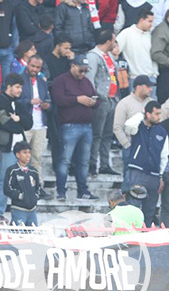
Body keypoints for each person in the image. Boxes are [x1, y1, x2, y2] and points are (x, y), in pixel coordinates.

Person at [50, 56, 100, 201]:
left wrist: (92, 102)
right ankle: (61, 191)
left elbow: (97, 100)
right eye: (81, 70)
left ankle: (82, 190)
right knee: (65, 160)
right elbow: (58, 99)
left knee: (84, 161)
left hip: (86, 126)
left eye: (85, 71)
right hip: (69, 126)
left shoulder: (86, 81)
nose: (83, 73)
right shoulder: (61, 80)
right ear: (72, 66)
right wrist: (77, 99)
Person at [0, 73, 33, 221]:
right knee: (4, 179)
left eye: (21, 87)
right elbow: (4, 123)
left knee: (19, 180)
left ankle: (17, 211)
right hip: (5, 147)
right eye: (17, 87)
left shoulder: (20, 104)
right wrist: (19, 124)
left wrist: (19, 119)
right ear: (8, 87)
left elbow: (29, 123)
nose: (20, 90)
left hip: (19, 148)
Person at [123, 101, 169, 225]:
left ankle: (145, 240)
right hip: (137, 173)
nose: (159, 117)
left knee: (150, 211)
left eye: (160, 113)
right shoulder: (137, 127)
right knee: (134, 208)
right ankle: (132, 239)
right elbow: (128, 125)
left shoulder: (162, 132)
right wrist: (141, 114)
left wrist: (161, 177)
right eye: (156, 114)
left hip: (154, 176)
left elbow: (164, 156)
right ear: (148, 114)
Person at [86, 29, 120, 178]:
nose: (115, 43)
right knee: (97, 134)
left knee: (107, 134)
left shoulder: (109, 57)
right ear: (108, 42)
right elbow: (90, 78)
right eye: (113, 40)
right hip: (101, 99)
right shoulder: (93, 56)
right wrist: (95, 97)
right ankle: (93, 164)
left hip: (111, 99)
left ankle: (105, 164)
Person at [18, 55, 52, 195]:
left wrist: (46, 105)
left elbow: (49, 101)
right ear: (28, 64)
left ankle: (37, 186)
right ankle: (20, 185)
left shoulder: (42, 81)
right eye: (33, 66)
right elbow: (16, 100)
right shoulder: (20, 79)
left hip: (40, 124)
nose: (35, 69)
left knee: (37, 158)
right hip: (25, 124)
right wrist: (29, 102)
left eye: (38, 67)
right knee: (21, 157)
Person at [113, 76, 153, 190]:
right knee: (129, 179)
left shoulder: (151, 103)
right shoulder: (124, 103)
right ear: (139, 87)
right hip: (132, 147)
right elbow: (117, 127)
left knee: (147, 179)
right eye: (148, 87)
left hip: (149, 147)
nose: (151, 89)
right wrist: (127, 145)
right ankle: (126, 204)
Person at [3, 141, 42, 225]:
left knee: (32, 235)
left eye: (29, 152)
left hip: (32, 210)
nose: (28, 155)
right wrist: (20, 196)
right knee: (17, 234)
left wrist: (34, 197)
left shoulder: (33, 171)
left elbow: (38, 187)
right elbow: (7, 189)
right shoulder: (12, 170)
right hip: (19, 209)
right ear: (17, 155)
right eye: (24, 152)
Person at [116, 10, 158, 84]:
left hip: (151, 78)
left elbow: (153, 57)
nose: (151, 24)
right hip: (134, 78)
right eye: (149, 21)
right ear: (142, 20)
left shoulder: (150, 36)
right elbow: (114, 50)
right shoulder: (127, 33)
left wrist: (154, 74)